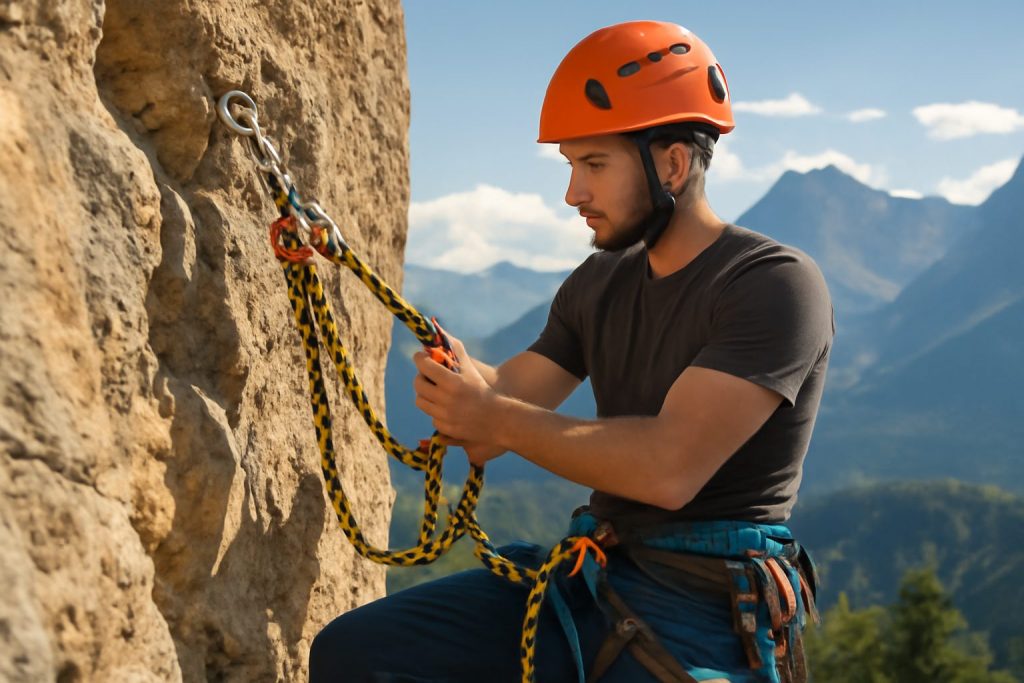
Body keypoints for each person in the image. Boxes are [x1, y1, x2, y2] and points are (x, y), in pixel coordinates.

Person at [309, 20, 833, 683]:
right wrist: (461, 376)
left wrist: (492, 416)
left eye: (595, 165)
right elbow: (507, 401)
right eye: (571, 166)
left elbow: (669, 467)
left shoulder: (772, 284)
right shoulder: (602, 280)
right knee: (357, 652)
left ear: (672, 165)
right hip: (598, 572)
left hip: (707, 607)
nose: (573, 193)